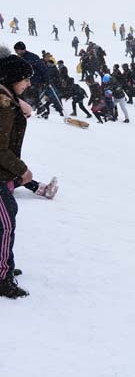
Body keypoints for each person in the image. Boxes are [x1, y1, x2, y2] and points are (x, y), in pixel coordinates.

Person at [0, 49, 36, 298]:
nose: (29, 83)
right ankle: (2, 276)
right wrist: (22, 170)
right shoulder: (3, 106)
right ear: (13, 79)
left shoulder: (7, 100)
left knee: (6, 218)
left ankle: (6, 265)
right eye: (25, 78)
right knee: (5, 222)